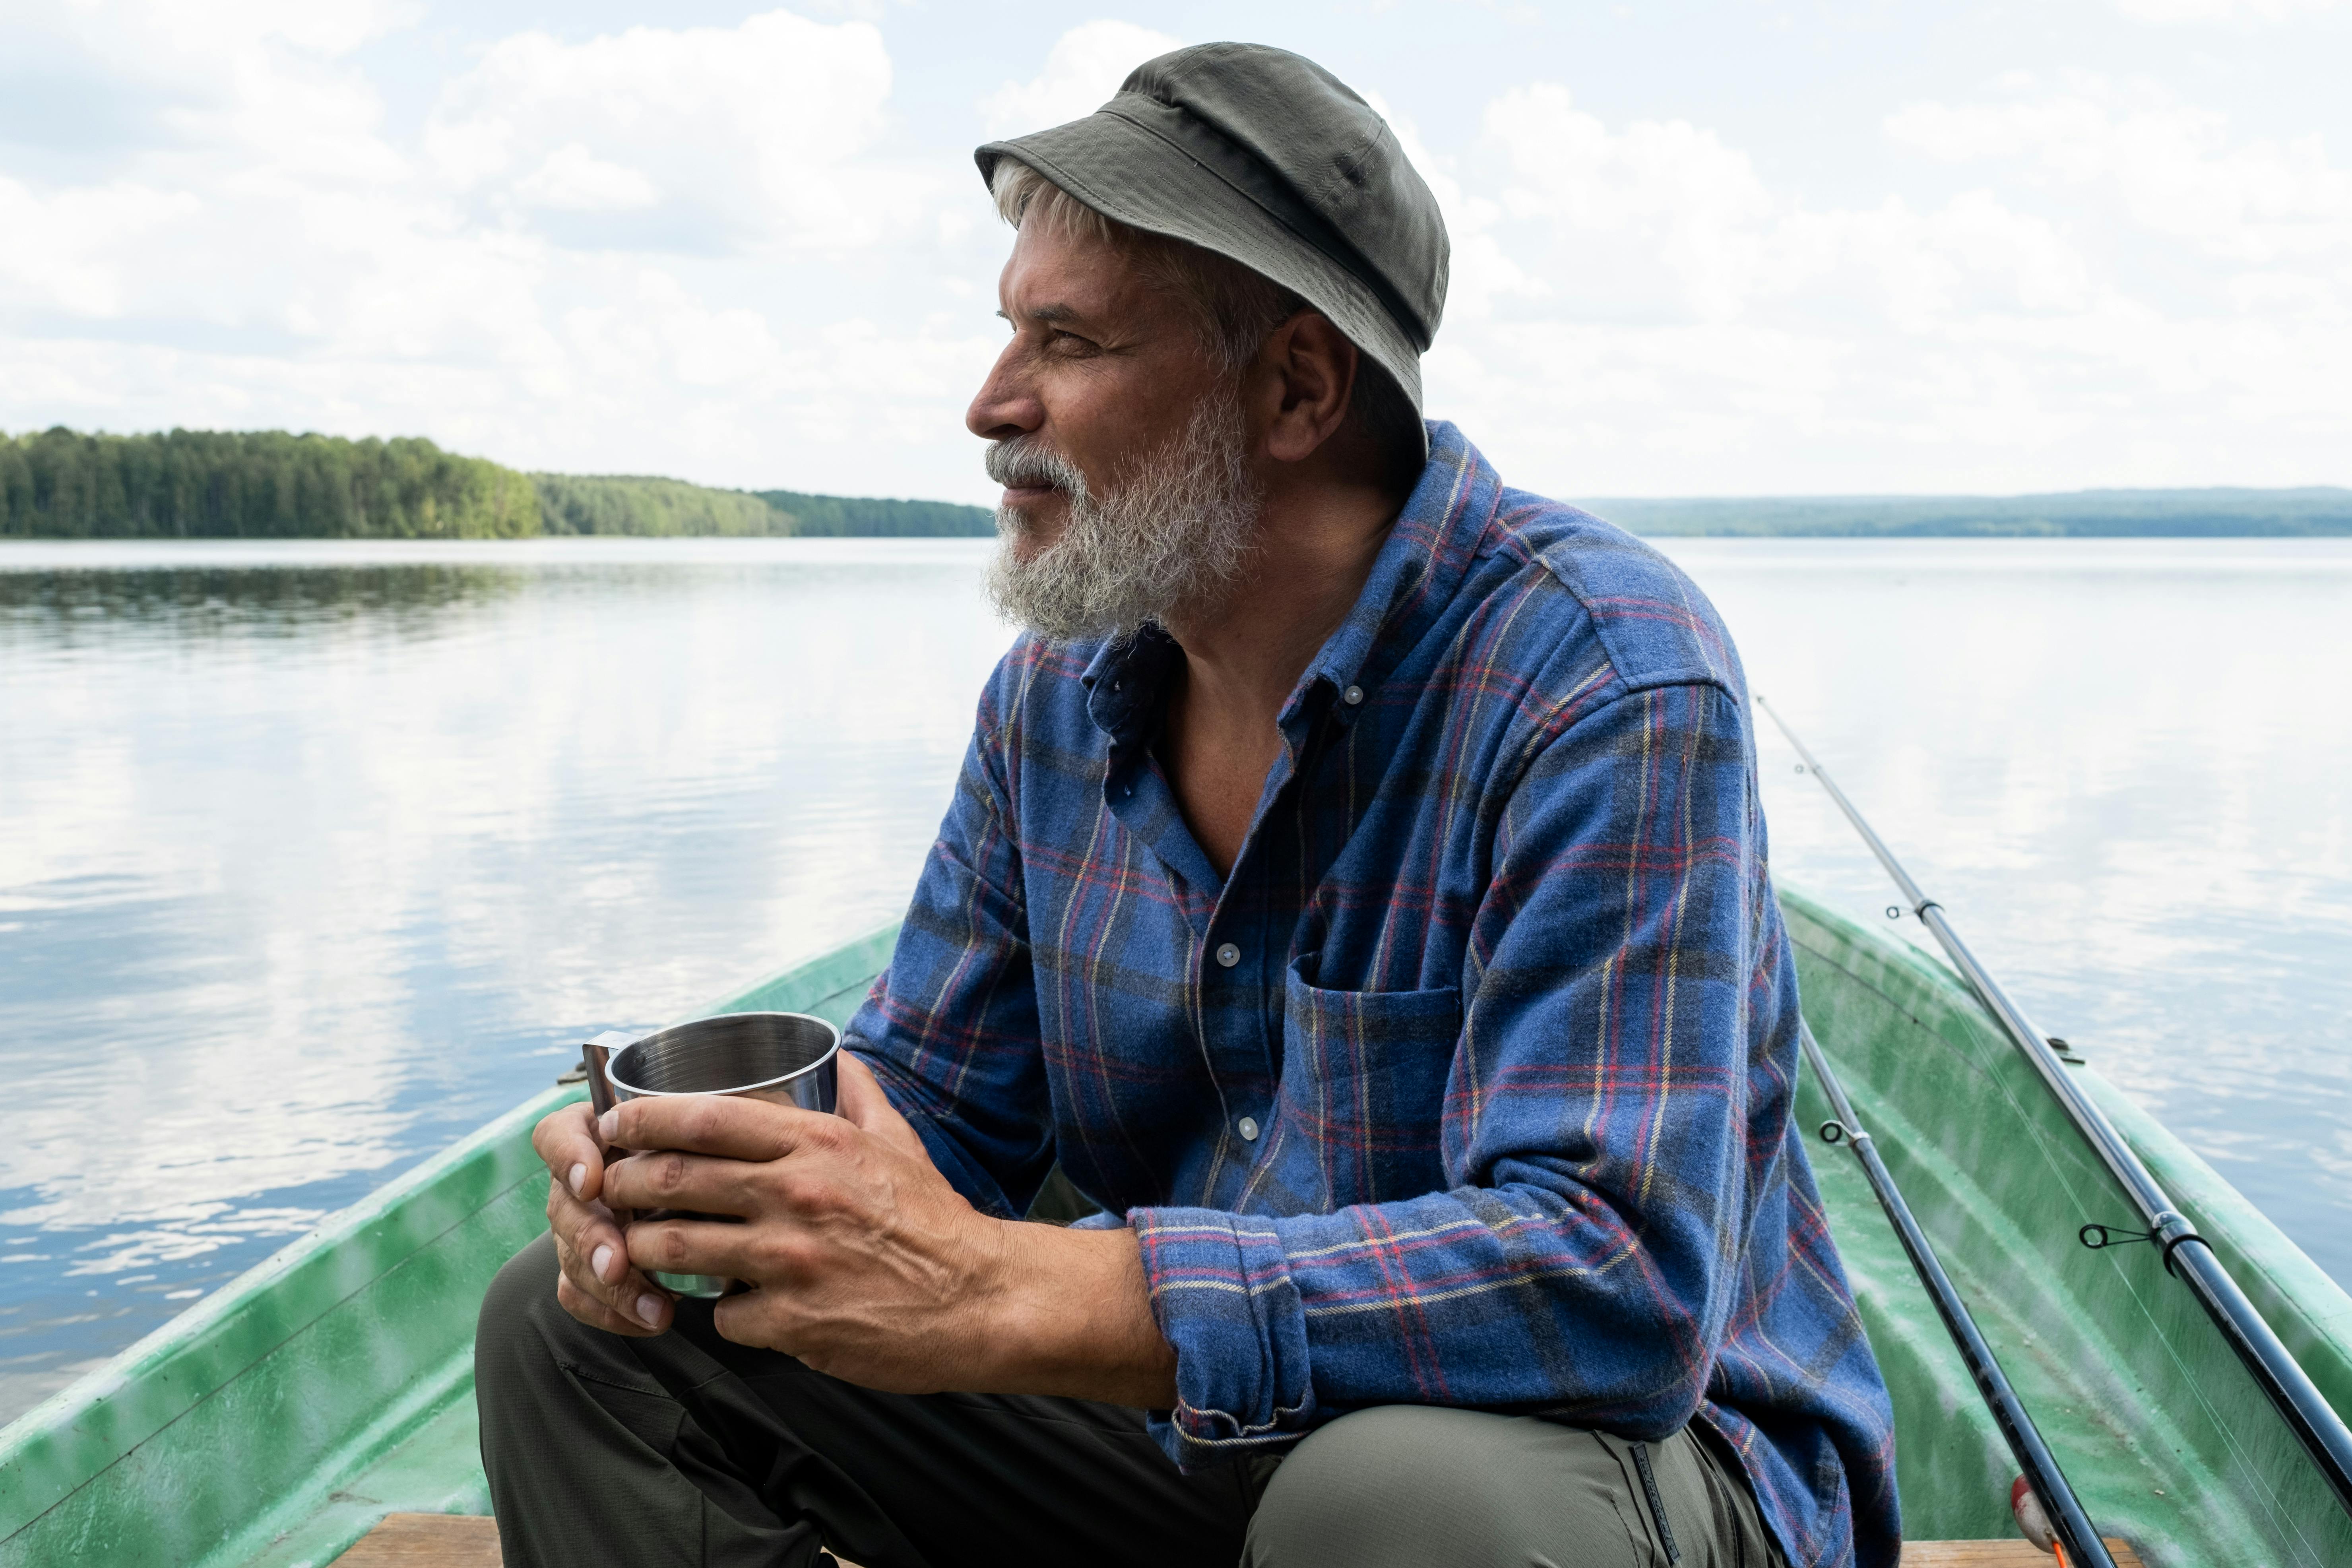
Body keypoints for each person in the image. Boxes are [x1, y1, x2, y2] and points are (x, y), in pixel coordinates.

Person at [475, 41, 1899, 1568]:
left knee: (1398, 1506)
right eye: (1008, 329)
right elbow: (933, 1114)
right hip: (1194, 1442)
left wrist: (1021, 1291)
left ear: (1295, 386)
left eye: (1068, 341)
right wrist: (700, 1205)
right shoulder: (1056, 694)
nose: (989, 402)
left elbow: (1616, 1286)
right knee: (571, 1336)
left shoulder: (1605, 677)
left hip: (1626, 1469)